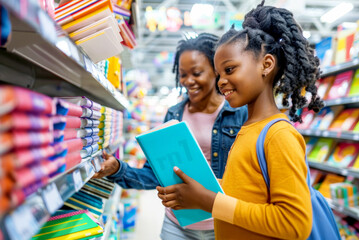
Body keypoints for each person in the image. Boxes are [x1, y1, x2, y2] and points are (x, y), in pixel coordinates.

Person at [157, 1, 324, 240]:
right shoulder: (249, 127)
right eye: (218, 74)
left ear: (266, 65)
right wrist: (200, 188)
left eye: (230, 69)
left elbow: (294, 223)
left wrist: (209, 200)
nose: (221, 81)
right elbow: (249, 189)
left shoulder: (279, 135)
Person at [94, 33, 248, 239]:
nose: (188, 81)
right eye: (183, 74)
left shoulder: (239, 113)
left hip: (222, 225)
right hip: (177, 225)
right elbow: (154, 175)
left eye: (197, 73)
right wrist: (118, 169)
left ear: (215, 70)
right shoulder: (174, 115)